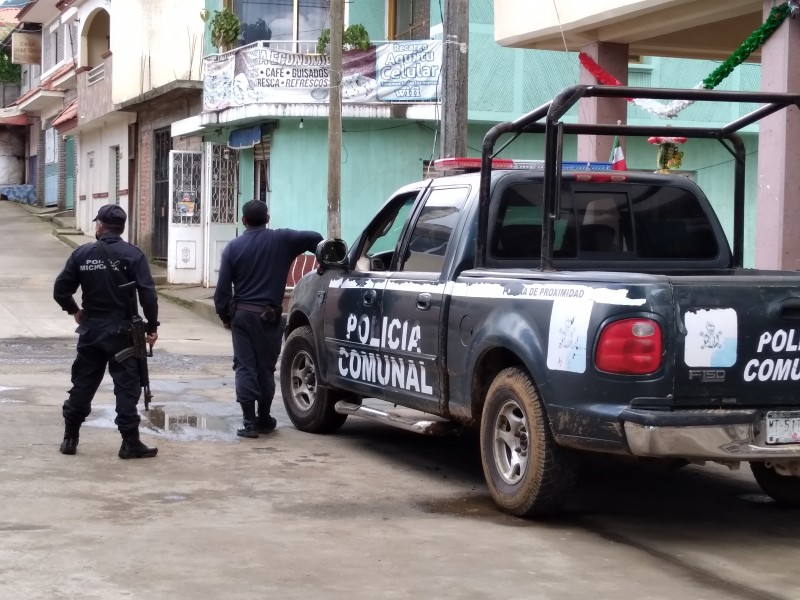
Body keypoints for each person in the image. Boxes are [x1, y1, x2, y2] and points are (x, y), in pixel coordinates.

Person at [53, 204, 160, 459]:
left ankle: (70, 438)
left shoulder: (83, 253)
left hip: (91, 331)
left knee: (83, 384)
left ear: (100, 226)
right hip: (123, 332)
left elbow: (60, 290)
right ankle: (129, 443)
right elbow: (148, 295)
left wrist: (74, 310)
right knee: (126, 387)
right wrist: (152, 327)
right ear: (121, 228)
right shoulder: (133, 255)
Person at [214, 200, 322, 438]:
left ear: (244, 221)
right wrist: (323, 262)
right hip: (269, 318)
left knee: (245, 366)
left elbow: (222, 290)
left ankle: (249, 422)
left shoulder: (233, 248)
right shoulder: (282, 240)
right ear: (268, 218)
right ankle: (263, 417)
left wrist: (225, 315)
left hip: (241, 316)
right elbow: (315, 237)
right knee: (265, 368)